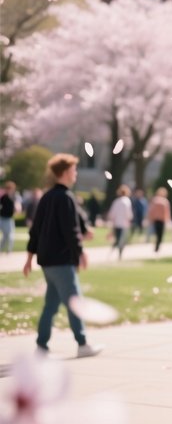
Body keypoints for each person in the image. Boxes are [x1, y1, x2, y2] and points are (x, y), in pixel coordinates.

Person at [22, 153, 104, 358]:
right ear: (66, 172)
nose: (75, 173)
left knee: (51, 305)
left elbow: (35, 230)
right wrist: (80, 253)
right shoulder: (65, 197)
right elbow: (71, 230)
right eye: (74, 170)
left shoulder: (47, 197)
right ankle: (83, 343)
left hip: (47, 262)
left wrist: (30, 257)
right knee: (75, 302)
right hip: (61, 261)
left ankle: (41, 347)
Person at [107, 184, 134, 259]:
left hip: (116, 223)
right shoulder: (127, 201)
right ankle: (119, 254)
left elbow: (112, 213)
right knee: (121, 240)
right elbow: (129, 214)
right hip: (124, 224)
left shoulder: (116, 201)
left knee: (118, 238)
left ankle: (112, 252)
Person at [148, 187, 172, 252]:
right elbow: (167, 212)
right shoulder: (165, 201)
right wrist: (168, 220)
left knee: (156, 234)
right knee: (160, 235)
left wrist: (150, 219)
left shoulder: (155, 200)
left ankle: (156, 245)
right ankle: (157, 247)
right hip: (161, 220)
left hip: (156, 220)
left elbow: (151, 211)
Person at [0, 180, 20, 253]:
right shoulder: (3, 197)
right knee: (5, 236)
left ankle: (9, 250)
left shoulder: (14, 197)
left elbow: (17, 206)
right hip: (2, 218)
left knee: (10, 235)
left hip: (9, 219)